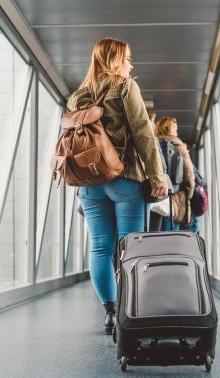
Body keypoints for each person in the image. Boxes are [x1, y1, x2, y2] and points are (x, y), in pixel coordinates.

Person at [67, 38, 168, 335]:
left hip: (89, 182)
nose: (130, 65)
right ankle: (128, 311)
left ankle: (110, 311)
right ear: (114, 60)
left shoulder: (78, 97)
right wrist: (157, 177)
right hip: (124, 179)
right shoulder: (125, 87)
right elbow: (142, 134)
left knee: (100, 247)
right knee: (129, 248)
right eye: (127, 58)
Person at [155, 117, 195, 231]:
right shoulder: (179, 147)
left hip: (155, 197)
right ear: (169, 129)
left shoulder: (153, 144)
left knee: (153, 236)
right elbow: (189, 174)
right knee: (171, 237)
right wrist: (189, 194)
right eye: (175, 129)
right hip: (176, 198)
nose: (177, 132)